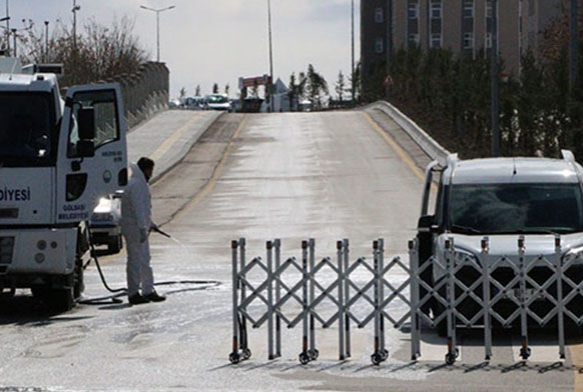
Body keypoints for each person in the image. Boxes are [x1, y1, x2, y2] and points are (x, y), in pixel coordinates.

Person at [120, 157, 166, 305]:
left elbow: (145, 209)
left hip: (140, 227)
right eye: (150, 170)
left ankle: (148, 290)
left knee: (145, 260)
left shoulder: (138, 184)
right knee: (135, 259)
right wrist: (141, 228)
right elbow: (138, 209)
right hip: (134, 228)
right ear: (145, 169)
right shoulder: (136, 185)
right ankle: (133, 292)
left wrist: (149, 223)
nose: (151, 173)